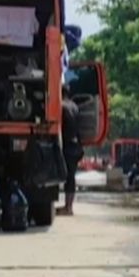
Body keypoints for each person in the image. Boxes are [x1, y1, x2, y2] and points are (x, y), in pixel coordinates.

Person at [58, 86, 83, 215]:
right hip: (76, 146)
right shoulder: (75, 106)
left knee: (66, 176)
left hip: (67, 145)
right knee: (71, 177)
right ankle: (69, 207)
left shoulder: (60, 106)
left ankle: (67, 208)